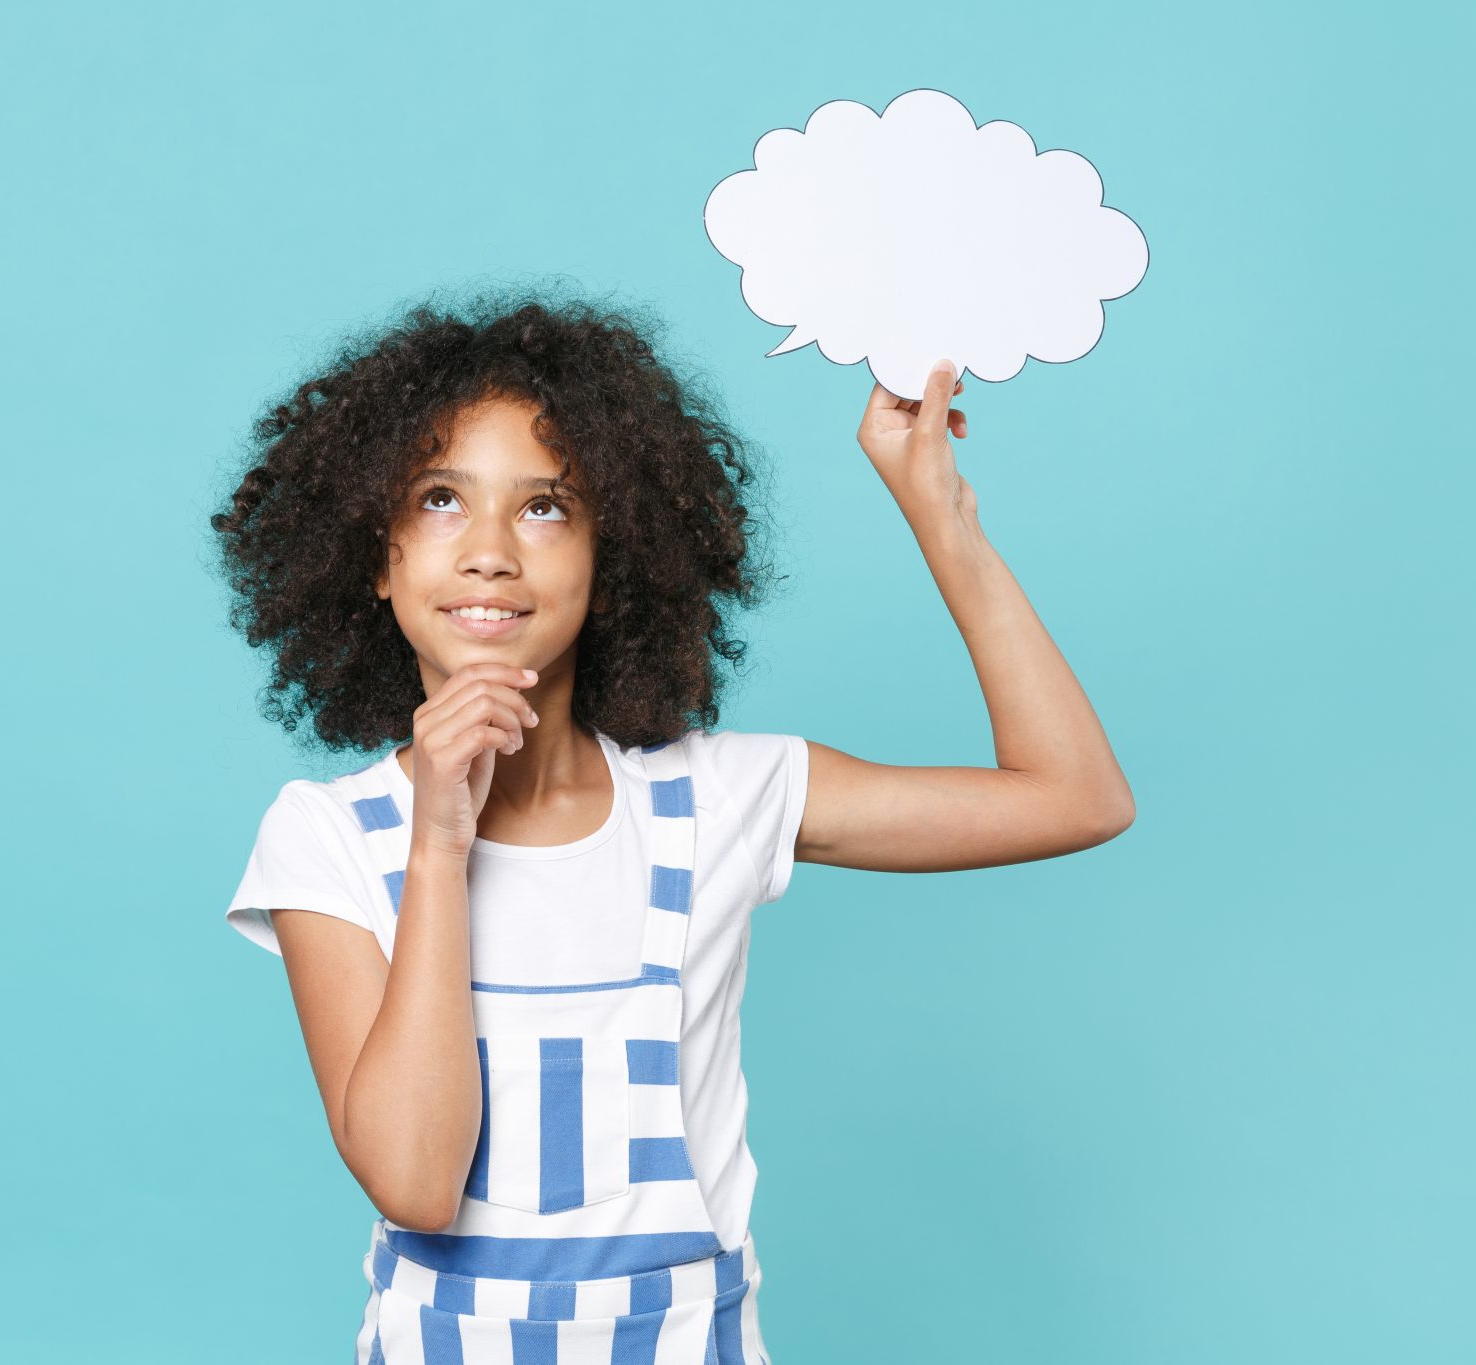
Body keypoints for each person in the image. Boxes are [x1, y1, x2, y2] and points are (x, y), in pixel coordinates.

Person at [210, 286, 1135, 1361]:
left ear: (612, 564)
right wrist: (438, 842)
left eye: (545, 507)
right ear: (375, 561)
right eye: (440, 499)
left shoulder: (719, 797)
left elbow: (1077, 797)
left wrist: (942, 515)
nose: (489, 551)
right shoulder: (326, 837)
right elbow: (415, 1184)